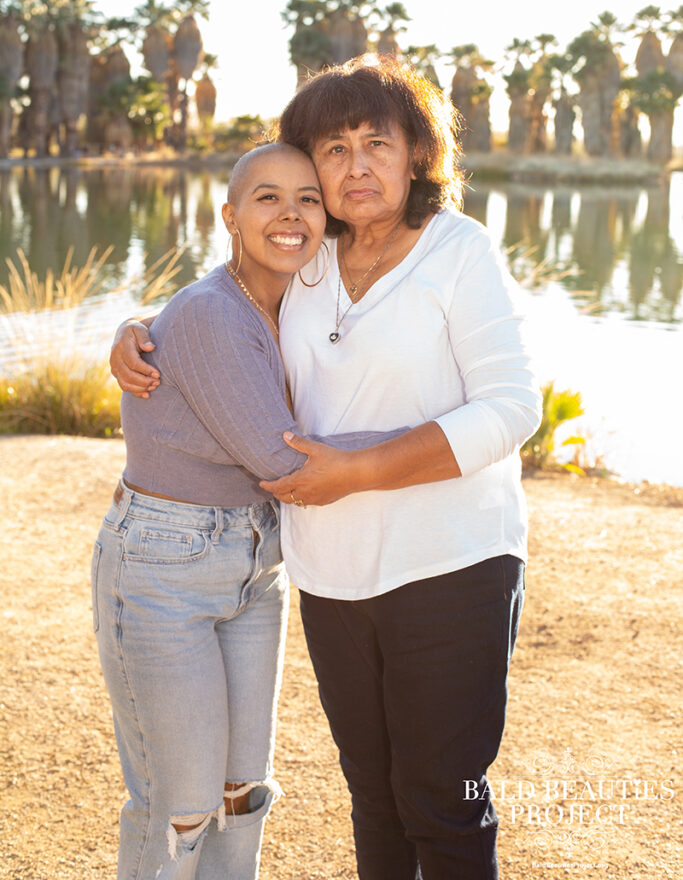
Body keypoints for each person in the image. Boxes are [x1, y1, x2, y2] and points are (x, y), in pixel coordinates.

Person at [111, 56, 542, 880]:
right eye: (333, 149)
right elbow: (220, 310)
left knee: (442, 800)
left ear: (416, 154)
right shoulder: (307, 255)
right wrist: (137, 328)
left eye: (376, 143)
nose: (356, 166)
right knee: (372, 795)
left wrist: (360, 469)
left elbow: (511, 408)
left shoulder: (457, 249)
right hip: (332, 573)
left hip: (452, 564)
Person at [95, 142, 403, 880]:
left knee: (241, 795)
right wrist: (443, 438)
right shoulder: (212, 312)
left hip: (256, 567)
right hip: (164, 565)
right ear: (230, 216)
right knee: (182, 806)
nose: (291, 214)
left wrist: (139, 320)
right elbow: (285, 461)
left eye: (307, 198)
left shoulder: (300, 306)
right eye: (268, 197)